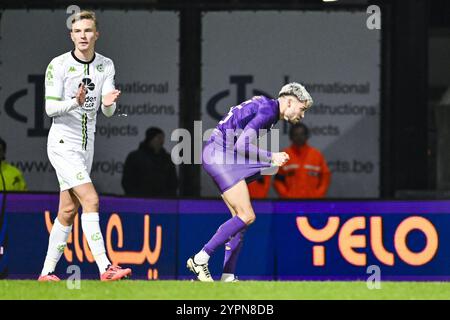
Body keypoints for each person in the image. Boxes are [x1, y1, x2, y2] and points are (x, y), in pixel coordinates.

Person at [187, 83, 313, 282]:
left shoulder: (266, 106)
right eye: (302, 109)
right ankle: (200, 258)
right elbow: (242, 144)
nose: (303, 115)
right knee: (247, 215)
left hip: (219, 153)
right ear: (290, 101)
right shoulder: (269, 110)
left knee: (240, 220)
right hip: (221, 154)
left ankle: (227, 276)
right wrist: (271, 157)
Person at [39, 11, 131, 281]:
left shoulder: (106, 65)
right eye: (78, 31)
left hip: (86, 145)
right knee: (91, 199)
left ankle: (46, 273)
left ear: (96, 34)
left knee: (67, 210)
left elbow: (109, 111)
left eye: (88, 31)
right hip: (62, 142)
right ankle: (106, 268)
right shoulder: (58, 65)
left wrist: (109, 102)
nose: (83, 36)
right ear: (71, 35)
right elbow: (49, 108)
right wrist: (75, 102)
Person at [273, 123, 331, 198]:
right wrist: (286, 195)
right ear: (291, 137)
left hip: (312, 203)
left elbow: (325, 178)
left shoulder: (316, 155)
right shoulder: (284, 156)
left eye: (302, 134)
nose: (299, 137)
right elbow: (278, 181)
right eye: (296, 135)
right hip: (291, 203)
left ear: (307, 136)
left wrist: (317, 195)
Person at [122, 127, 178, 197]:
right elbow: (127, 181)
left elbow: (173, 181)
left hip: (162, 201)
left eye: (163, 138)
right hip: (140, 200)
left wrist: (168, 196)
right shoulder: (135, 157)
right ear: (150, 139)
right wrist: (135, 196)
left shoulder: (167, 158)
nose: (162, 141)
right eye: (159, 138)